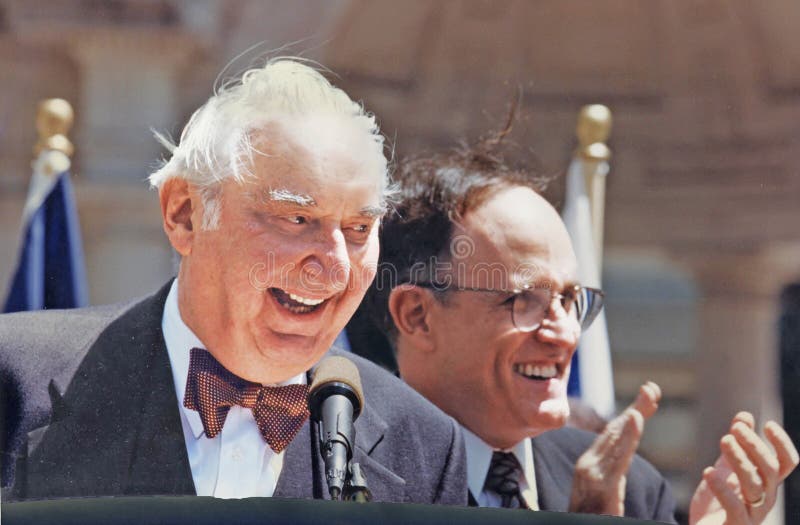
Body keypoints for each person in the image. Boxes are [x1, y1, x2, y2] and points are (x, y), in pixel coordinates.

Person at [0, 58, 466, 504]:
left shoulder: (423, 446)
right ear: (184, 214)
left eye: (359, 229)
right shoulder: (13, 382)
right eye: (297, 218)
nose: (337, 268)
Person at [362, 133, 799, 522]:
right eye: (523, 299)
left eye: (570, 300)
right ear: (417, 316)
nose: (565, 333)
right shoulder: (341, 473)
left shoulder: (631, 491)